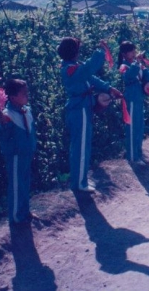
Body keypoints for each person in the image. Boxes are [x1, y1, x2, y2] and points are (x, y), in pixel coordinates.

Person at [58, 37, 123, 193]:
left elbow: (92, 79)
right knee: (80, 147)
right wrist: (101, 51)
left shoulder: (73, 67)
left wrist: (109, 88)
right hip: (79, 109)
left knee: (82, 145)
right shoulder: (69, 69)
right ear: (74, 51)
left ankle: (80, 180)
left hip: (82, 108)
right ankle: (79, 183)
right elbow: (89, 69)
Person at [0, 79, 36, 225]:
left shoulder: (27, 110)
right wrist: (3, 125)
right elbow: (2, 136)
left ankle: (25, 210)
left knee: (25, 182)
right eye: (24, 93)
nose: (27, 95)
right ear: (12, 98)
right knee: (17, 184)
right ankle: (16, 217)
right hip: (16, 155)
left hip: (26, 153)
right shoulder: (7, 115)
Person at [118, 41, 149, 165]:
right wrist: (136, 63)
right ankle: (132, 156)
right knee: (132, 127)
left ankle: (138, 153)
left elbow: (147, 75)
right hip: (131, 98)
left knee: (139, 126)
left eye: (134, 50)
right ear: (124, 54)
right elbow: (128, 77)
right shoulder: (124, 66)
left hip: (138, 98)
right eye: (131, 51)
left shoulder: (137, 65)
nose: (133, 53)